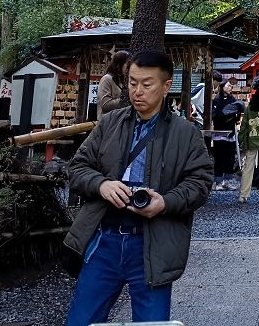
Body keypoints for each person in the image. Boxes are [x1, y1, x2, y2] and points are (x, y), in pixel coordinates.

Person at [63, 49, 214, 326]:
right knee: (81, 320)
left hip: (151, 243)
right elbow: (78, 167)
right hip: (103, 239)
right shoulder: (109, 123)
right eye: (132, 83)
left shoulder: (185, 133)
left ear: (166, 86)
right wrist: (102, 184)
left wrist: (165, 202)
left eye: (147, 84)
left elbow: (200, 183)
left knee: (151, 324)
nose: (137, 91)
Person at [211, 78, 244, 191]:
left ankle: (227, 181)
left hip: (230, 132)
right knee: (219, 157)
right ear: (222, 87)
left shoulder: (232, 99)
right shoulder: (216, 100)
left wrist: (236, 113)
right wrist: (226, 114)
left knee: (229, 157)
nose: (230, 88)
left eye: (231, 86)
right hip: (219, 133)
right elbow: (215, 116)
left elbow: (238, 113)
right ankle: (218, 182)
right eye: (228, 86)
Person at [96, 50, 130, 118]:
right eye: (127, 65)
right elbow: (105, 104)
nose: (129, 68)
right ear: (118, 65)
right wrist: (126, 100)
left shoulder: (124, 81)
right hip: (107, 123)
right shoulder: (107, 79)